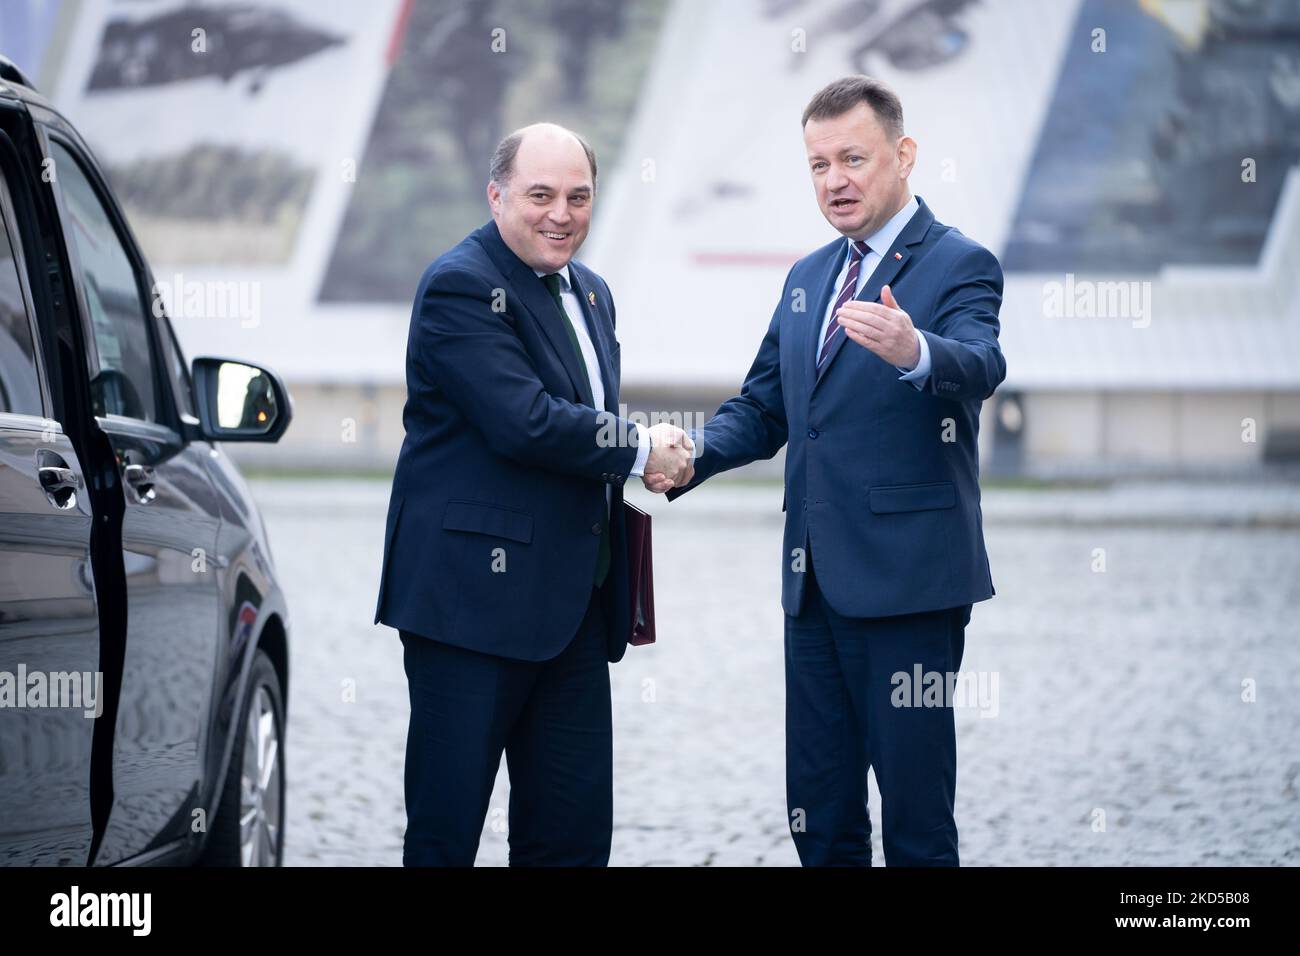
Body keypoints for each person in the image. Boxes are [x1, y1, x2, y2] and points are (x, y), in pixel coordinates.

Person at [655, 75, 1006, 866]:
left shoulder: (960, 263)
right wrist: (690, 457)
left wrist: (914, 349)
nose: (835, 180)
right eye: (818, 165)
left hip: (910, 589)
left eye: (854, 158)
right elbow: (766, 408)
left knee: (916, 822)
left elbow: (982, 362)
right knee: (819, 813)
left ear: (903, 154)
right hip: (811, 591)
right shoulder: (808, 277)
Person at [374, 122, 693, 866]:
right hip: (468, 612)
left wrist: (635, 454)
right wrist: (642, 446)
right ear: (495, 195)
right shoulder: (460, 285)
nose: (561, 214)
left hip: (573, 610)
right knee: (446, 834)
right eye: (540, 195)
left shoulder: (593, 291)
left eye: (578, 197)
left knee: (572, 840)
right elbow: (525, 423)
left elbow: (579, 422)